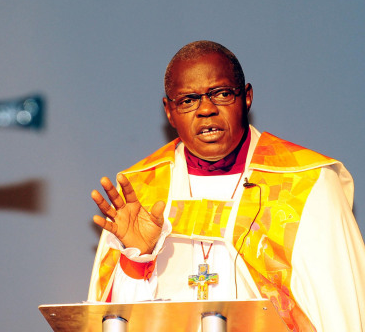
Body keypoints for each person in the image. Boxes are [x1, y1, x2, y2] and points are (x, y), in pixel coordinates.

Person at [87, 41, 365, 331]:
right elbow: (112, 319)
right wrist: (136, 261)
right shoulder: (139, 193)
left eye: (221, 94)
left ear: (246, 97)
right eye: (188, 100)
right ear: (169, 111)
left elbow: (340, 312)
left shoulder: (309, 185)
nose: (206, 109)